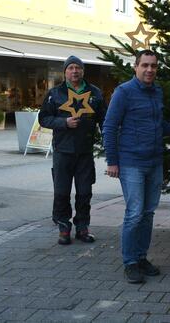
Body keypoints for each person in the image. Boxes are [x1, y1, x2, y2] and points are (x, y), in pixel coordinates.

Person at [103, 49, 170, 284]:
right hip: (131, 163)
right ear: (135, 67)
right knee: (134, 214)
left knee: (147, 214)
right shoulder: (123, 92)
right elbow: (109, 127)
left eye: (153, 66)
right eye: (145, 65)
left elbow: (160, 124)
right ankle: (130, 263)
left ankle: (141, 257)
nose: (149, 70)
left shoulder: (157, 92)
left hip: (154, 162)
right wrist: (112, 161)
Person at [39, 55, 106, 245]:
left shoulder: (95, 93)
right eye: (71, 68)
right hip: (62, 151)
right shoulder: (55, 93)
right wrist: (63, 122)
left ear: (83, 71)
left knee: (85, 192)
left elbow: (105, 120)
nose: (74, 71)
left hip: (85, 151)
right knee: (61, 192)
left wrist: (109, 142)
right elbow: (43, 118)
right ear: (65, 71)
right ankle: (63, 227)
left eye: (78, 68)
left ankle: (83, 227)